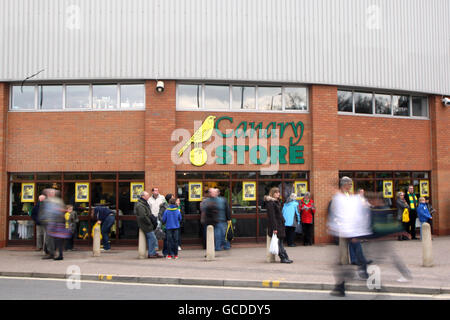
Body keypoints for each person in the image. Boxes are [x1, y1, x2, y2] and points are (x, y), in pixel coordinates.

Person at [328, 177, 372, 296]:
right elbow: (333, 213)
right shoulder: (339, 198)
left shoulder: (348, 197)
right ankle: (341, 286)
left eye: (351, 184)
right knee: (342, 259)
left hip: (351, 230)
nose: (350, 186)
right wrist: (335, 225)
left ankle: (361, 270)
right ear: (344, 185)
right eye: (349, 184)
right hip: (344, 230)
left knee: (356, 252)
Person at [265, 187, 292, 264]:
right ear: (272, 193)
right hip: (276, 225)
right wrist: (274, 228)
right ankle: (283, 258)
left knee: (280, 242)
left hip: (280, 224)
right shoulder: (271, 203)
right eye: (276, 192)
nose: (278, 194)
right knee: (278, 243)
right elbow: (272, 217)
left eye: (278, 192)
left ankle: (285, 257)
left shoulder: (276, 202)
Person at [44, 189, 71, 260]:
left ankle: (57, 254)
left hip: (56, 223)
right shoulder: (57, 201)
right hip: (56, 223)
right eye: (49, 193)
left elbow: (57, 211)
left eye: (51, 193)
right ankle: (56, 254)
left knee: (57, 240)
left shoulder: (55, 201)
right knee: (57, 240)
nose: (50, 194)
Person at [135, 191, 162, 258]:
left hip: (147, 224)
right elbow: (143, 216)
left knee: (153, 238)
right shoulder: (140, 205)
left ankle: (153, 252)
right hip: (145, 225)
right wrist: (149, 222)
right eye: (147, 195)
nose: (148, 196)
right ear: (143, 196)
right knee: (152, 238)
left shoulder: (144, 203)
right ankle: (151, 253)